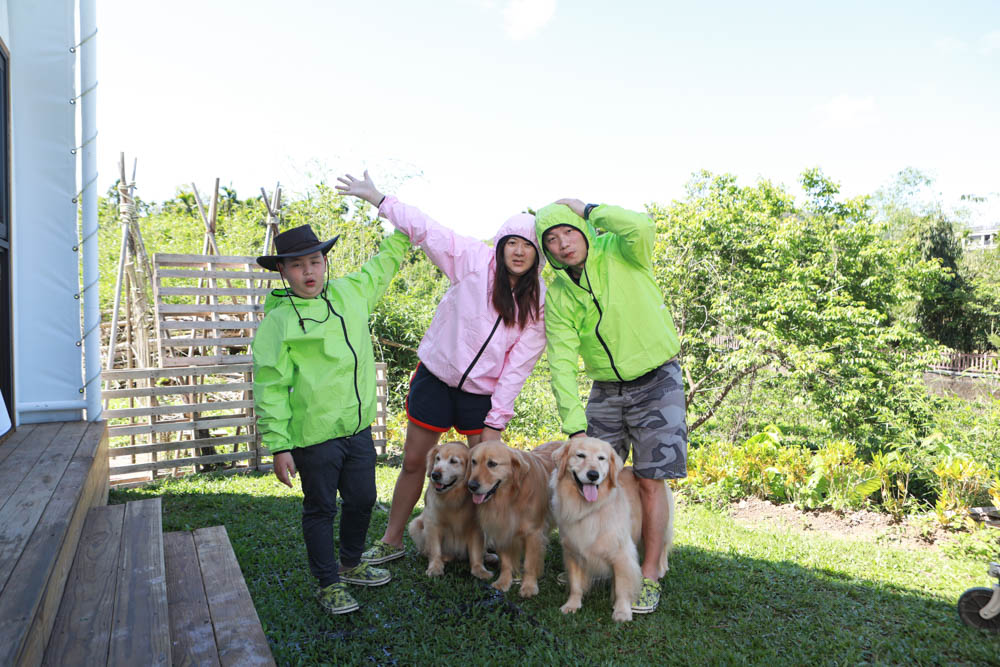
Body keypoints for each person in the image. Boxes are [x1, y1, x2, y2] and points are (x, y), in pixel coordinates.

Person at [335, 171, 547, 565]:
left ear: (537, 255)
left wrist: (497, 418)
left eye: (528, 246)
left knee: (487, 476)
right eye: (512, 243)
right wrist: (380, 199)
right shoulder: (472, 260)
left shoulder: (538, 302)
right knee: (415, 462)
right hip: (435, 379)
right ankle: (392, 539)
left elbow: (519, 365)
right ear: (501, 245)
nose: (518, 252)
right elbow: (426, 229)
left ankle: (490, 549)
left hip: (481, 397)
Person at [535, 198, 687, 615]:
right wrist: (573, 426)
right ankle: (593, 556)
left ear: (583, 231)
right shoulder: (561, 294)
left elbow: (640, 226)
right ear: (547, 253)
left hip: (658, 379)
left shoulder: (622, 251)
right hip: (606, 388)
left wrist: (589, 208)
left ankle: (651, 573)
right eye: (552, 240)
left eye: (568, 232)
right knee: (594, 472)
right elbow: (562, 362)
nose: (563, 244)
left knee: (651, 480)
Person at [252, 223, 410, 616]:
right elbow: (270, 385)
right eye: (297, 265)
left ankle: (351, 562)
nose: (308, 272)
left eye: (315, 262)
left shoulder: (351, 293)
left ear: (325, 263)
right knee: (321, 508)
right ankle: (328, 584)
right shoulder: (279, 321)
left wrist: (405, 226)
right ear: (283, 272)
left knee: (363, 498)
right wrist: (279, 446)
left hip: (358, 429)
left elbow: (384, 263)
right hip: (313, 436)